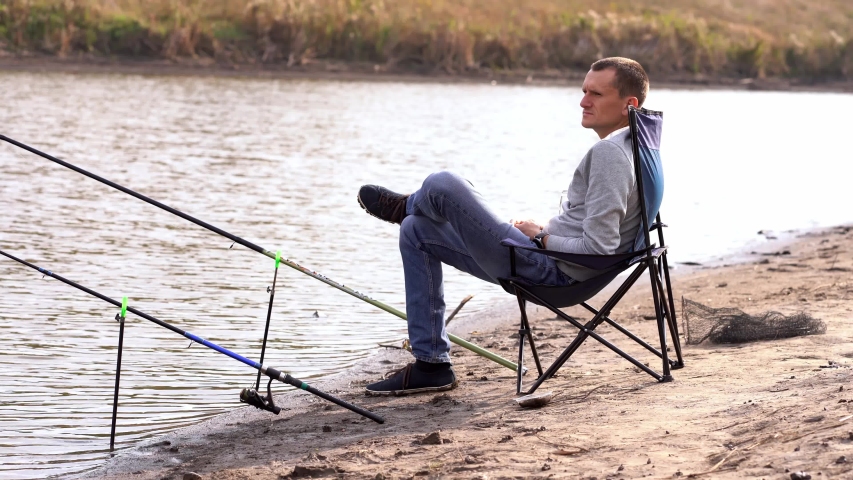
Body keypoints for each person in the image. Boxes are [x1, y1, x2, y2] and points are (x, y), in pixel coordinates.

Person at [356, 57, 649, 396]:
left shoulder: (611, 154)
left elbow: (598, 249)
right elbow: (598, 231)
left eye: (596, 94)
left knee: (443, 184)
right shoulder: (638, 144)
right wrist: (542, 231)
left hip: (552, 272)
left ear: (629, 105)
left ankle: (405, 204)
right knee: (415, 230)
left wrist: (542, 237)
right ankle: (432, 365)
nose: (583, 101)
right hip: (554, 262)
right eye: (584, 91)